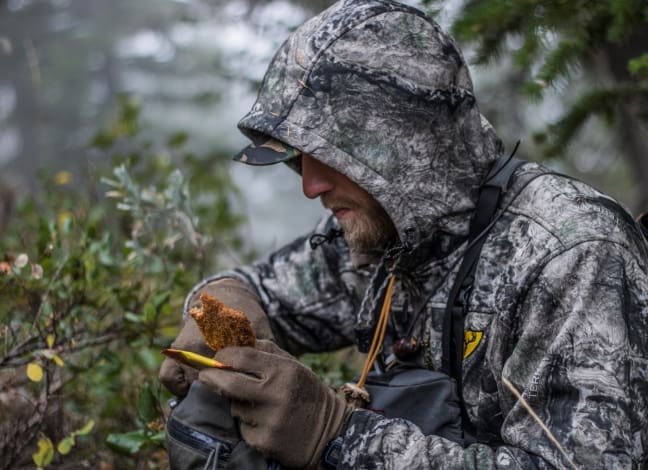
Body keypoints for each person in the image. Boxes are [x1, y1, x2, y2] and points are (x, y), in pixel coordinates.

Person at [159, 0, 648, 468]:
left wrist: (337, 436)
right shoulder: (387, 235)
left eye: (330, 154)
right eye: (297, 157)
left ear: (402, 145)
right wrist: (218, 304)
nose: (310, 185)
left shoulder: (572, 255)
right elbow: (261, 291)